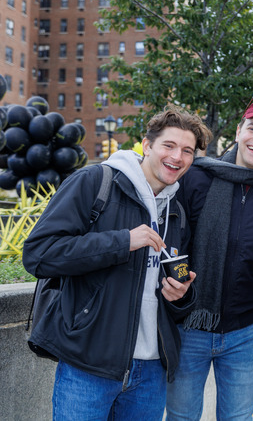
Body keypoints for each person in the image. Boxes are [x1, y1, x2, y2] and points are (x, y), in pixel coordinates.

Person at [23, 106, 212, 420]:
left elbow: (167, 290)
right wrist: (122, 241)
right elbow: (39, 253)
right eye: (169, 145)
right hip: (89, 365)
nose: (177, 157)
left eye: (187, 151)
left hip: (151, 373)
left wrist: (180, 295)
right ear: (147, 144)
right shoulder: (95, 181)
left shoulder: (176, 208)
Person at [166, 95, 253, 420]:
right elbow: (169, 241)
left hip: (244, 333)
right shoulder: (195, 177)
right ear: (239, 131)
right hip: (188, 326)